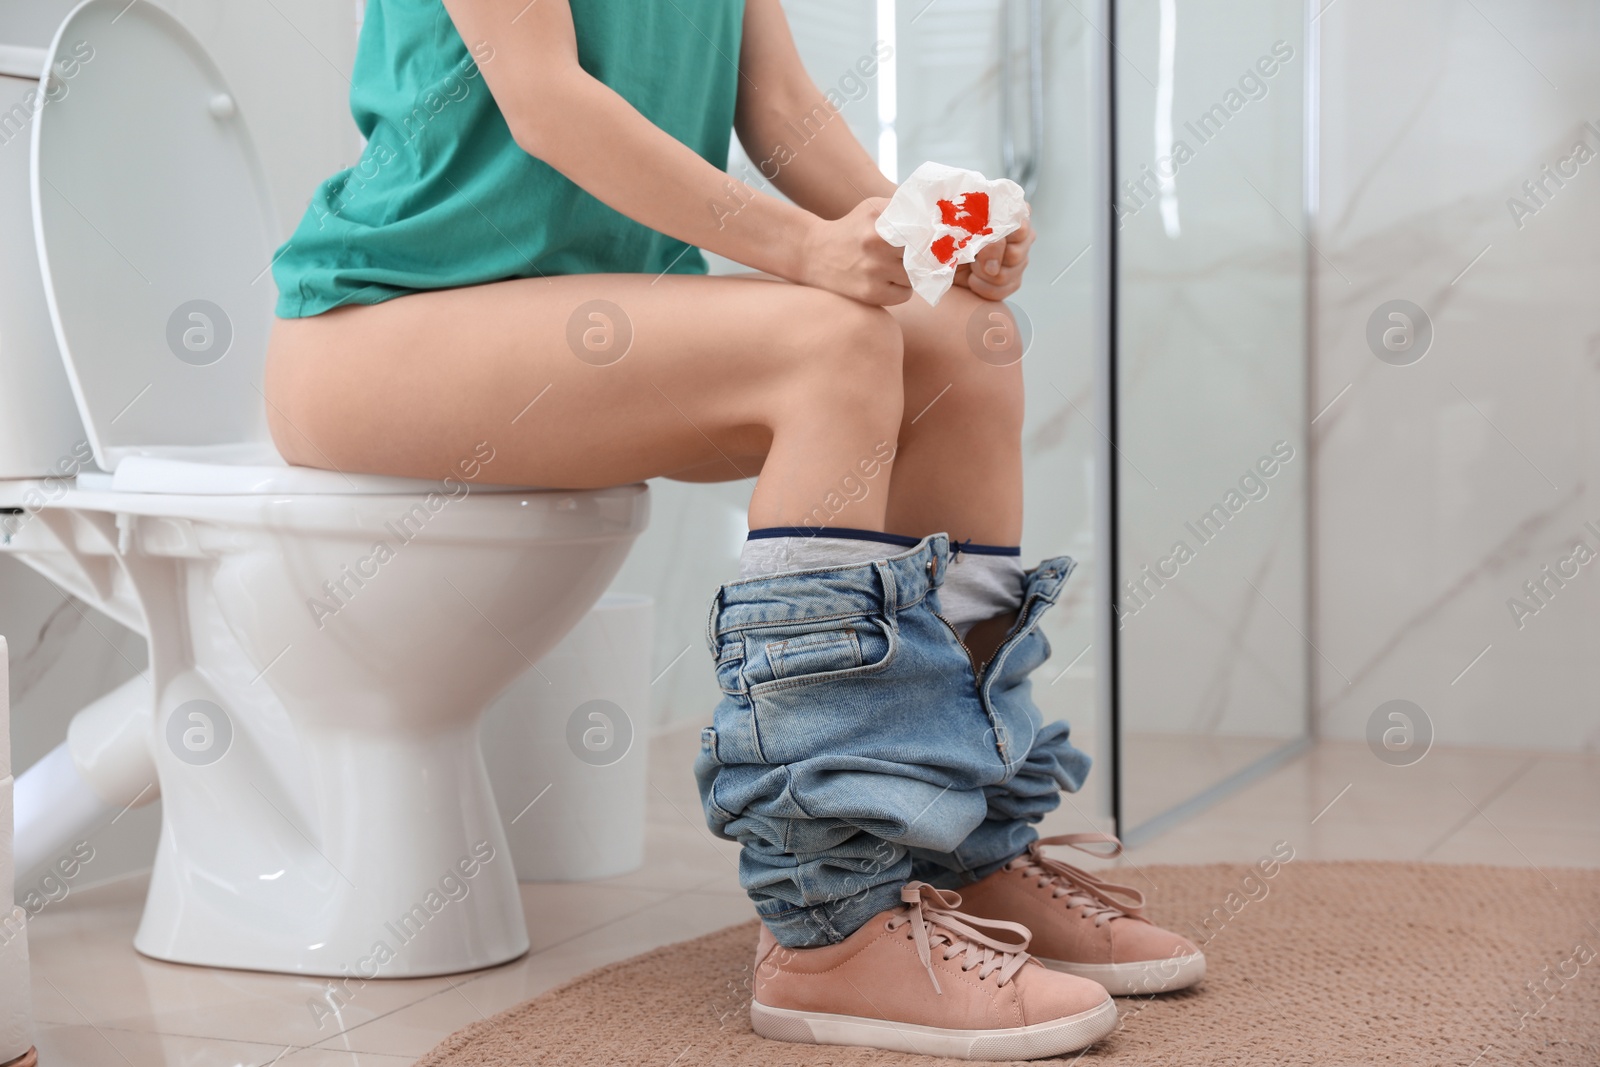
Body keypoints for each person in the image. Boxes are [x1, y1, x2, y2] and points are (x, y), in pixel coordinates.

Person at [265, 0, 1202, 1057]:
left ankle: (956, 849)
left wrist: (920, 237)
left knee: (963, 339)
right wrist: (808, 251)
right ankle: (829, 926)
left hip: (605, 318)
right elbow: (547, 103)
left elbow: (782, 108)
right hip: (383, 326)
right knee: (828, 342)